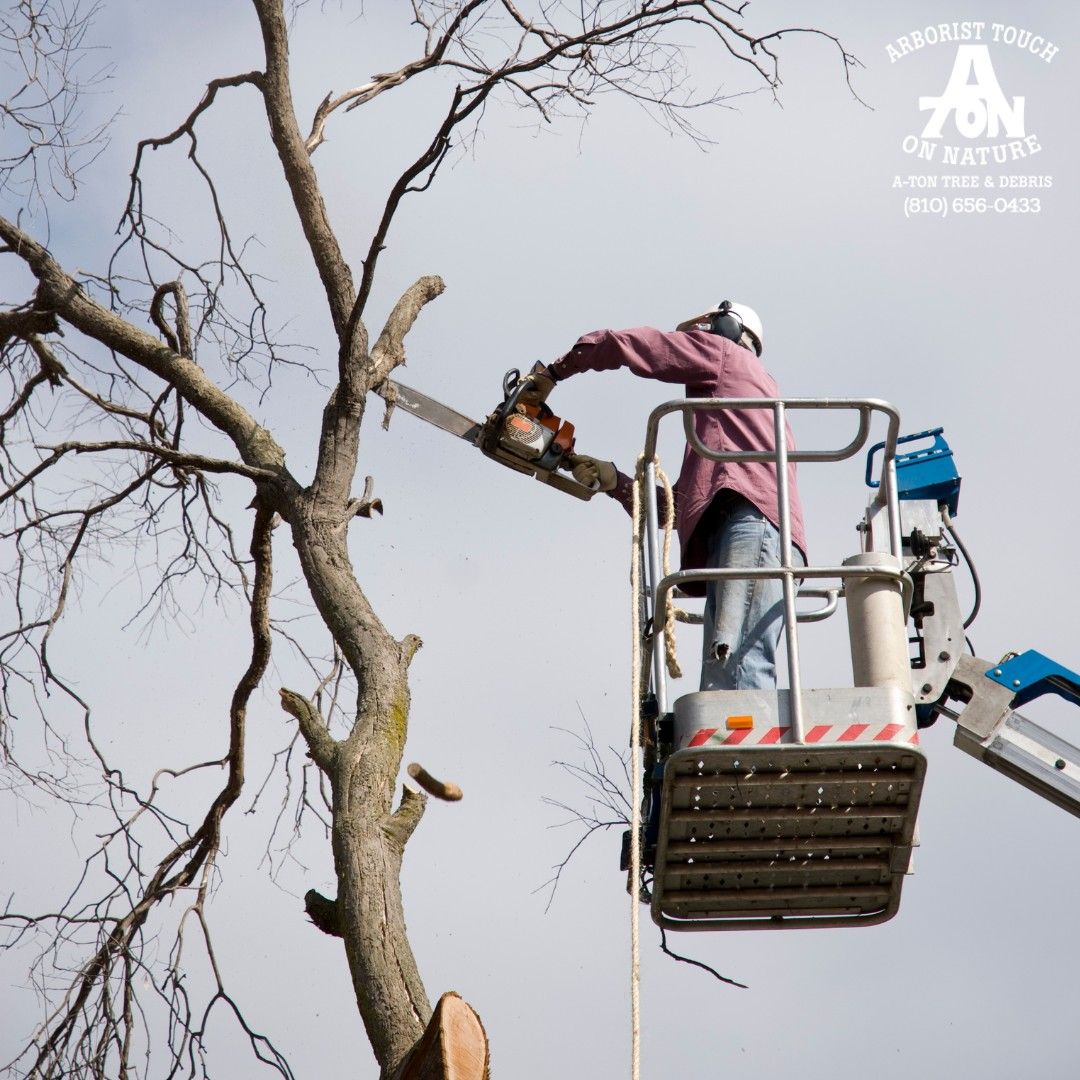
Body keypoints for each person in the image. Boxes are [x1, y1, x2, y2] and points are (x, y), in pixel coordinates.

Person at [534, 301, 806, 692]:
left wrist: (555, 371)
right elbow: (678, 507)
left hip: (752, 528)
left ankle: (743, 752)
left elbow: (641, 346)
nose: (697, 338)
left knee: (736, 668)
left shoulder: (725, 357)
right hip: (752, 532)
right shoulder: (731, 416)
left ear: (730, 329)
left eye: (706, 329)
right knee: (725, 671)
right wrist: (615, 483)